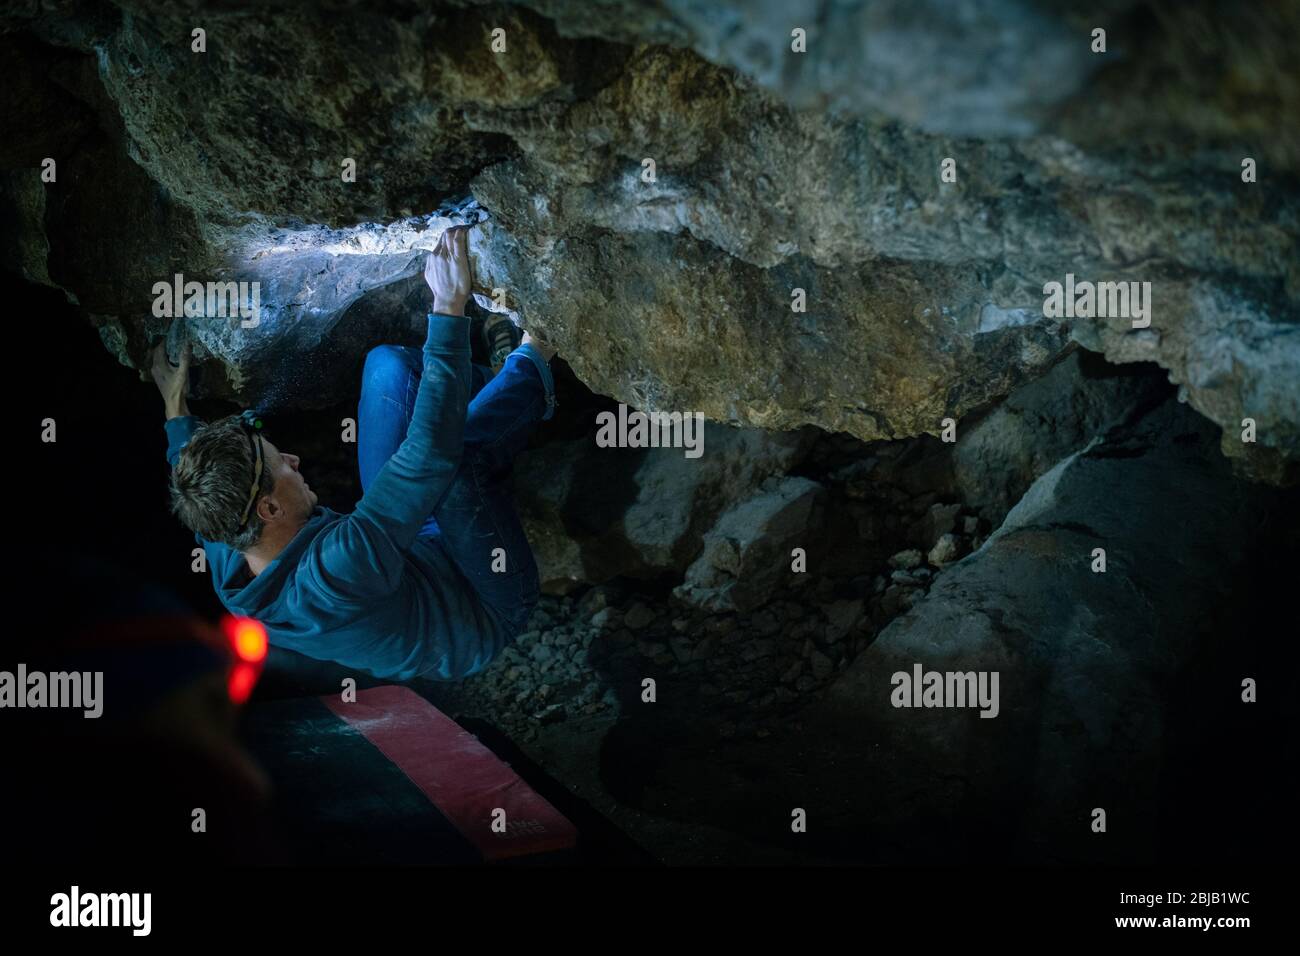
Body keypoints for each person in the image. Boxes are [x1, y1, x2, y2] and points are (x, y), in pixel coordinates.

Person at [151, 226, 557, 681]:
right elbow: (427, 459)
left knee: (388, 367)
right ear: (269, 507)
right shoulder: (339, 571)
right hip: (482, 604)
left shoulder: (234, 551)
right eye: (279, 461)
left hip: (411, 553)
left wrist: (174, 408)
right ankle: (535, 358)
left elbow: (195, 489)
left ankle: (502, 387)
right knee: (454, 466)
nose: (294, 460)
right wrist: (449, 306)